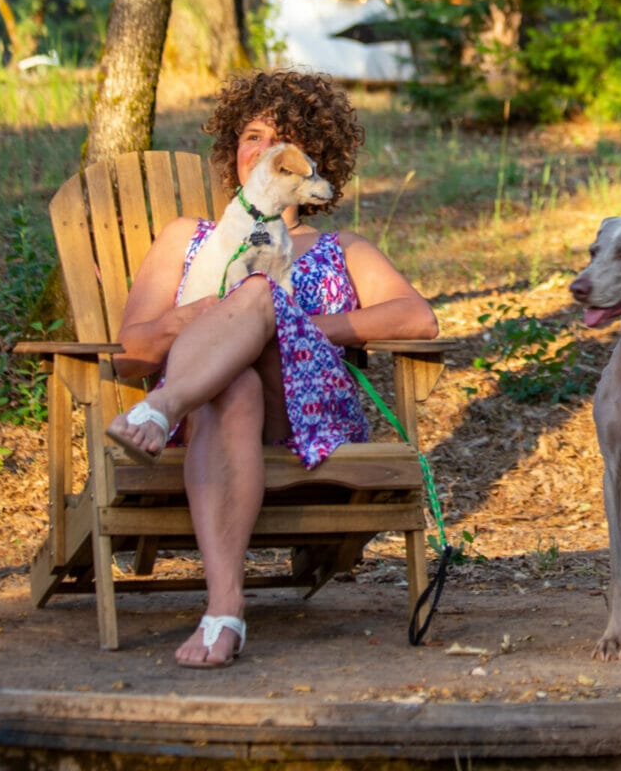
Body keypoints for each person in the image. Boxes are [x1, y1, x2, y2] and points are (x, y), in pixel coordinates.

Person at [104, 70, 438, 667]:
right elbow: (129, 353)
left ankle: (157, 411)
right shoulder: (187, 239)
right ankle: (224, 611)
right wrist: (195, 320)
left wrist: (287, 321)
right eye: (252, 136)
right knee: (233, 386)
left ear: (314, 164)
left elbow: (418, 318)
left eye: (282, 142)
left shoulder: (341, 249)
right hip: (215, 405)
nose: (261, 151)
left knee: (261, 293)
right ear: (233, 151)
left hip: (304, 411)